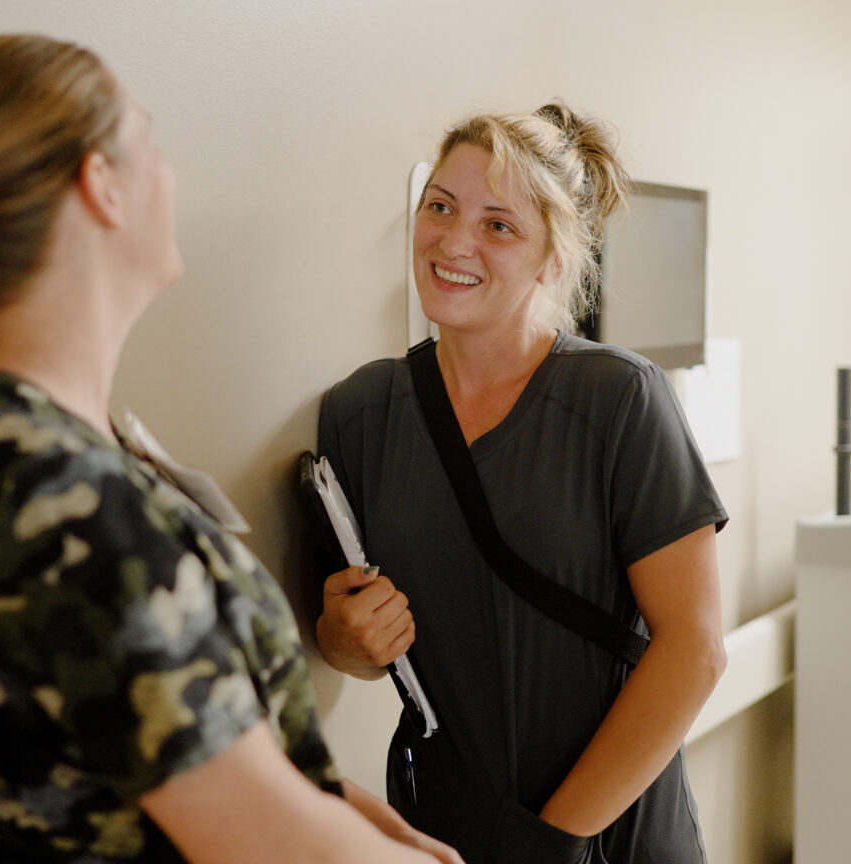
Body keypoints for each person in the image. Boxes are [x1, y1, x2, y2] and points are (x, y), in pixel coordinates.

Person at [0, 33, 462, 864]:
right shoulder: (47, 491)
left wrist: (338, 805)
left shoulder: (16, 442)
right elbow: (268, 846)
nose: (171, 174)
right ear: (102, 187)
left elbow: (167, 738)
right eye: (153, 146)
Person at [315, 103, 728, 863]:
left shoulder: (620, 399)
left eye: (498, 225)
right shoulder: (359, 413)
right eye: (439, 206)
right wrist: (344, 640)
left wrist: (553, 840)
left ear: (552, 259)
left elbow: (694, 650)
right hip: (446, 825)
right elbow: (355, 640)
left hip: (609, 830)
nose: (454, 240)